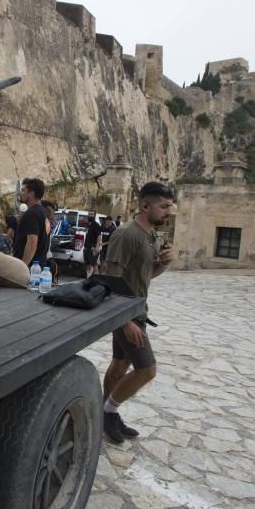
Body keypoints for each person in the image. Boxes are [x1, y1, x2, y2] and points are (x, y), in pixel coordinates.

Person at [99, 182, 175, 444]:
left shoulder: (151, 236)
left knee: (120, 365)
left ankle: (105, 413)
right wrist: (126, 321)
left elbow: (146, 276)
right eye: (164, 206)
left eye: (170, 207)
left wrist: (164, 264)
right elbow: (110, 280)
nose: (169, 212)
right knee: (147, 370)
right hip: (126, 315)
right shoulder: (126, 235)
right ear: (145, 205)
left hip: (134, 311)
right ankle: (108, 411)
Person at [11, 178, 50, 267]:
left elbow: (32, 243)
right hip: (39, 264)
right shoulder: (44, 212)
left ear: (31, 193)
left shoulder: (32, 213)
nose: (20, 193)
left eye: (23, 190)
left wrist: (22, 267)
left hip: (30, 267)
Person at [83, 210, 103, 278]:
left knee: (94, 263)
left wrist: (97, 247)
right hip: (87, 246)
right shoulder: (88, 224)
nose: (90, 215)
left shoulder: (96, 225)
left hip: (93, 247)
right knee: (88, 263)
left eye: (92, 214)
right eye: (89, 214)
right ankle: (88, 278)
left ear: (94, 216)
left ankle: (96, 279)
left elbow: (99, 236)